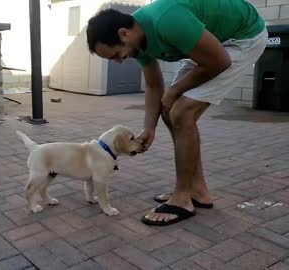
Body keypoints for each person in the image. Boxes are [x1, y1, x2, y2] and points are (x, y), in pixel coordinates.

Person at [86, 0, 267, 225]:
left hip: (244, 37)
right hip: (216, 45)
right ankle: (198, 191)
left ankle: (182, 198)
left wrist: (175, 90)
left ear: (124, 34)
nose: (119, 61)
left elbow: (220, 61)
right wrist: (149, 127)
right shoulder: (137, 40)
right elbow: (153, 86)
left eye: (115, 55)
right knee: (169, 109)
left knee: (181, 112)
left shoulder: (165, 20)